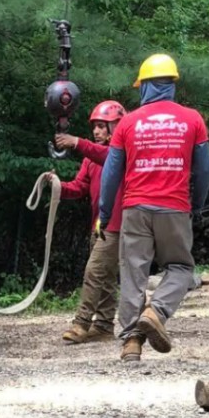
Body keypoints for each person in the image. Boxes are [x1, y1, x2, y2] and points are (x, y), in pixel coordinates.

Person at [97, 54, 209, 363]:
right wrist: (197, 205)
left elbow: (111, 173)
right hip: (175, 208)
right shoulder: (193, 119)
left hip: (135, 208)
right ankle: (156, 312)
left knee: (133, 272)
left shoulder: (128, 123)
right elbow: (204, 170)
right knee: (181, 268)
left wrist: (104, 213)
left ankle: (131, 344)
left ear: (145, 85)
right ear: (171, 84)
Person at [48, 99, 126, 343]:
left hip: (117, 224)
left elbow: (109, 157)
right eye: (95, 127)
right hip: (99, 224)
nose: (96, 131)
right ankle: (103, 326)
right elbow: (80, 187)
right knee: (106, 278)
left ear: (116, 126)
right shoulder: (91, 158)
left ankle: (81, 323)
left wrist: (77, 142)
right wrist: (58, 186)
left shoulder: (123, 152)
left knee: (94, 271)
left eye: (102, 126)